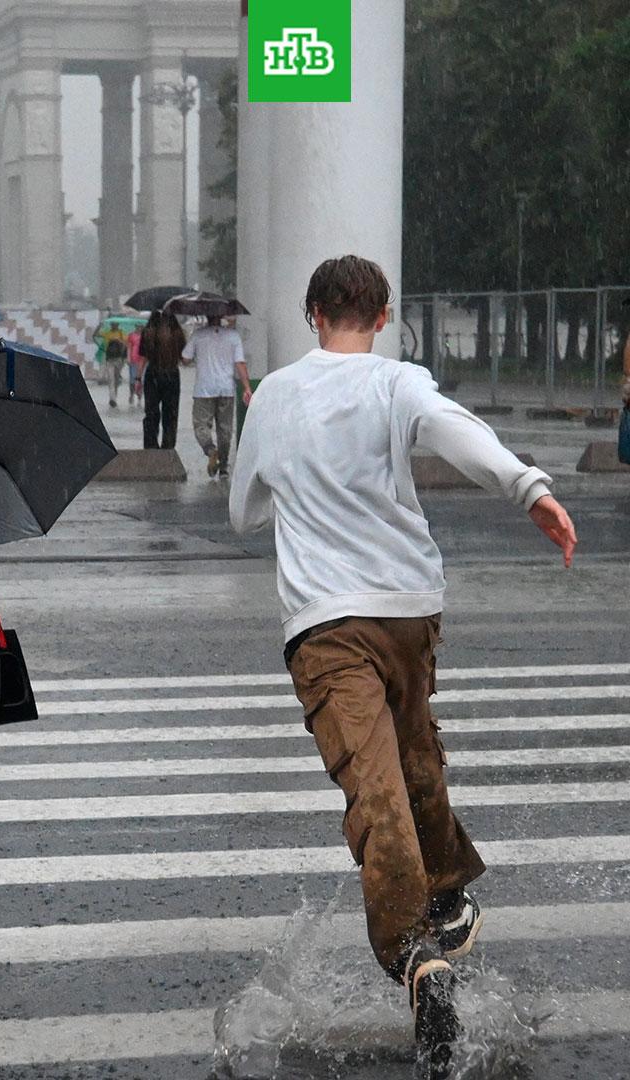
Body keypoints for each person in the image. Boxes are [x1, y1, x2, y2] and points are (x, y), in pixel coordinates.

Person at [229, 255, 579, 1078]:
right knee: (416, 759)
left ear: (313, 312)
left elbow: (244, 512)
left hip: (326, 623)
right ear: (381, 316)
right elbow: (457, 430)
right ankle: (449, 891)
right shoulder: (398, 381)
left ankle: (417, 955)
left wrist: (299, 479)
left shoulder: (275, 395)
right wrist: (530, 489)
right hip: (409, 608)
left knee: (377, 787)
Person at [183, 313, 251, 477]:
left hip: (203, 389)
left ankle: (211, 450)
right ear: (221, 317)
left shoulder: (198, 335)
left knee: (201, 425)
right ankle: (224, 468)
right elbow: (240, 363)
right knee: (225, 429)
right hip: (226, 389)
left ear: (206, 317)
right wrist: (247, 387)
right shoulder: (233, 336)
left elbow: (185, 359)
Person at [139, 311, 183, 450]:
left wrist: (137, 378)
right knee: (170, 413)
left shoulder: (148, 332)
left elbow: (143, 358)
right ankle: (168, 447)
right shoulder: (177, 333)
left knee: (151, 413)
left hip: (153, 374)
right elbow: (184, 358)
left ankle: (151, 446)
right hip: (172, 374)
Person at [127, 324, 146, 406]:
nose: (139, 328)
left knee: (141, 379)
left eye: (140, 326)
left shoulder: (145, 336)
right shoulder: (131, 335)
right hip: (133, 360)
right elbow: (129, 347)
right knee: (132, 379)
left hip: (143, 360)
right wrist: (128, 358)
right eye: (137, 326)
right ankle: (131, 394)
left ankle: (139, 396)